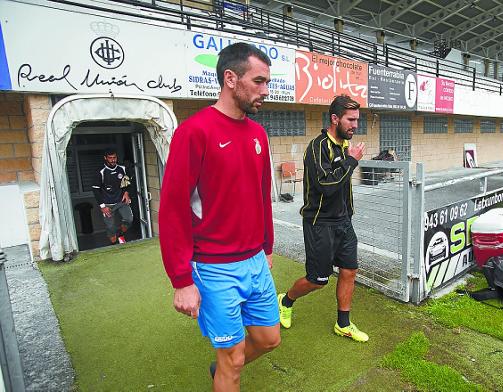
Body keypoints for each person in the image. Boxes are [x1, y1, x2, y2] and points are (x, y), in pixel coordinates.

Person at [159, 42, 280, 391]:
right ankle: (226, 368)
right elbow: (173, 210)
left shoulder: (258, 134)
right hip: (214, 267)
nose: (265, 91)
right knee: (234, 358)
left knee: (270, 338)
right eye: (258, 81)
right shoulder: (194, 132)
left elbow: (262, 198)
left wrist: (267, 247)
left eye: (267, 82)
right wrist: (182, 280)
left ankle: (222, 368)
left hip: (255, 261)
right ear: (231, 78)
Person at [277, 94, 368, 342]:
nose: (355, 125)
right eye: (350, 119)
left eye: (357, 120)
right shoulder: (317, 147)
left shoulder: (344, 147)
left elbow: (342, 183)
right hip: (320, 223)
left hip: (343, 222)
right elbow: (327, 185)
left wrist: (347, 212)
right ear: (335, 118)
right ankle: (285, 300)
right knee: (318, 280)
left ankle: (343, 324)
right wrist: (352, 161)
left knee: (349, 270)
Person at [92, 148, 133, 244]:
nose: (113, 160)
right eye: (110, 158)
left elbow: (127, 182)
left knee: (129, 219)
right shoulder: (100, 172)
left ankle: (120, 233)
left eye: (114, 157)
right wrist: (102, 206)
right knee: (110, 227)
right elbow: (96, 190)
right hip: (107, 204)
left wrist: (126, 192)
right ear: (105, 158)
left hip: (121, 201)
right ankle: (114, 245)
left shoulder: (122, 168)